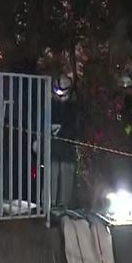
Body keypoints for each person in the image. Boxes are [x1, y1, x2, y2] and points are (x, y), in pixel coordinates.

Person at [50, 74, 78, 210]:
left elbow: (75, 124)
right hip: (54, 145)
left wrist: (63, 131)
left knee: (66, 172)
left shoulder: (74, 105)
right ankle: (51, 204)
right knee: (53, 171)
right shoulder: (51, 103)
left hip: (67, 145)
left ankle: (64, 205)